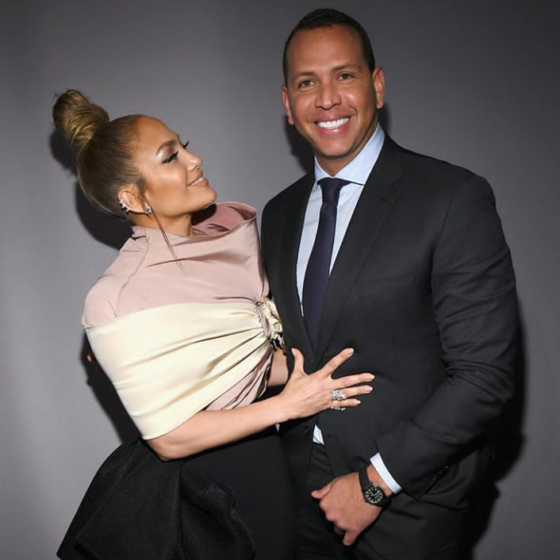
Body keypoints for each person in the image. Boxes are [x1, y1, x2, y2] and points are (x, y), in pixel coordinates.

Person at [52, 89, 374, 560]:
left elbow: (244, 367)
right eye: (171, 157)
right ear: (132, 196)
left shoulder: (227, 246)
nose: (195, 159)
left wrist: (322, 372)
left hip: (269, 466)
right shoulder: (116, 297)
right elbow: (169, 438)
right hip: (207, 494)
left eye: (184, 146)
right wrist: (288, 405)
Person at [261, 8, 519, 560]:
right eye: (306, 83)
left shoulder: (451, 198)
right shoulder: (279, 215)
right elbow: (282, 345)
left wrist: (376, 483)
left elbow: (485, 376)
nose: (326, 99)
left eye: (344, 75)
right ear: (287, 102)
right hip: (298, 495)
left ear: (377, 86)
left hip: (409, 503)